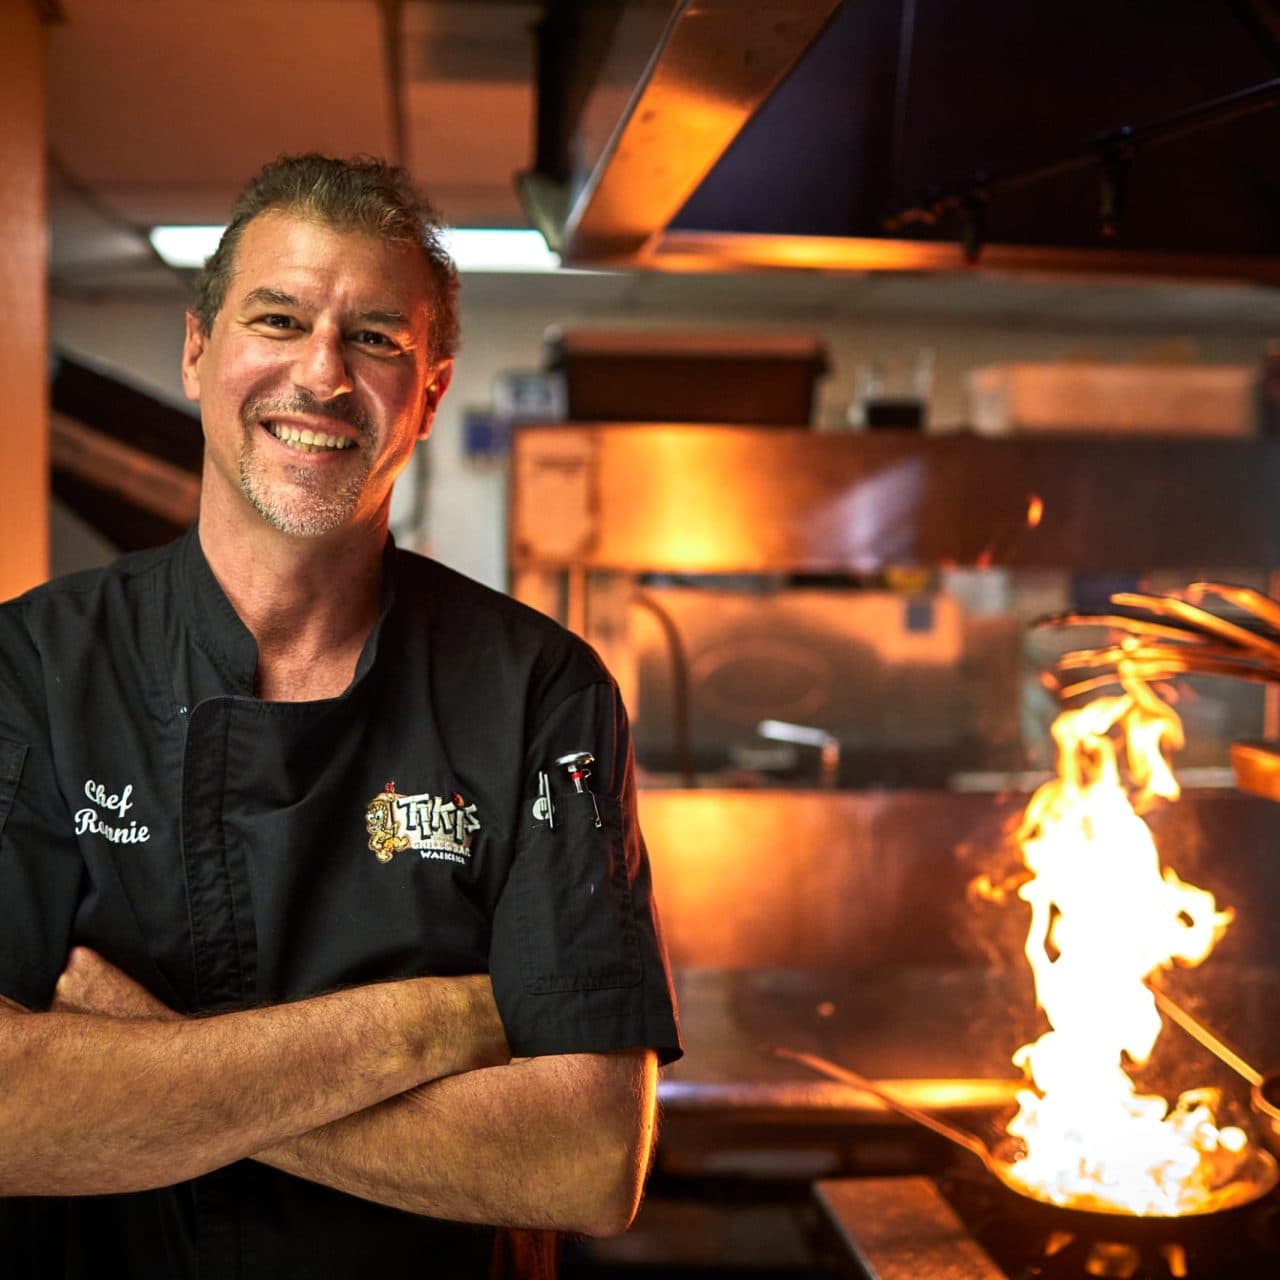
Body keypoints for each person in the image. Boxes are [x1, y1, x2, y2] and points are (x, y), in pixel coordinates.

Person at [0, 153, 682, 1277]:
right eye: (278, 319)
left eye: (374, 338)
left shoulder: (540, 693)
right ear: (196, 350)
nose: (320, 373)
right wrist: (439, 1022)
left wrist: (143, 1056)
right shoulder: (31, 668)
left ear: (430, 393)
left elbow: (585, 1159)